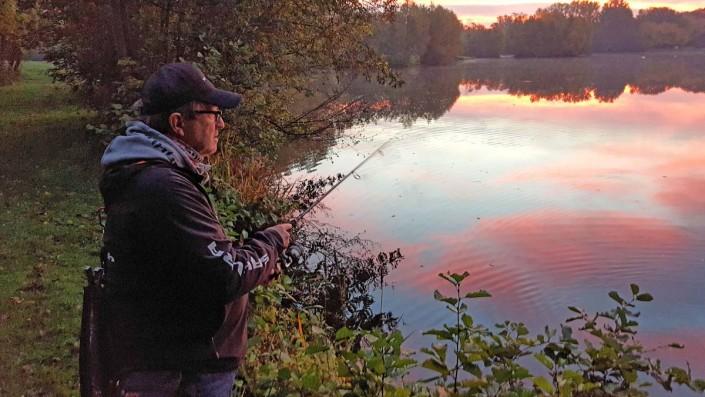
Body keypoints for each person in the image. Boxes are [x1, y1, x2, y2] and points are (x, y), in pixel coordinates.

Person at [98, 63, 291, 396]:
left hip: (173, 356)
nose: (222, 123)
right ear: (177, 124)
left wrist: (259, 258)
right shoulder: (164, 187)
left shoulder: (149, 173)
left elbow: (190, 265)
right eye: (213, 114)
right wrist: (271, 242)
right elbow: (227, 274)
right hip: (184, 368)